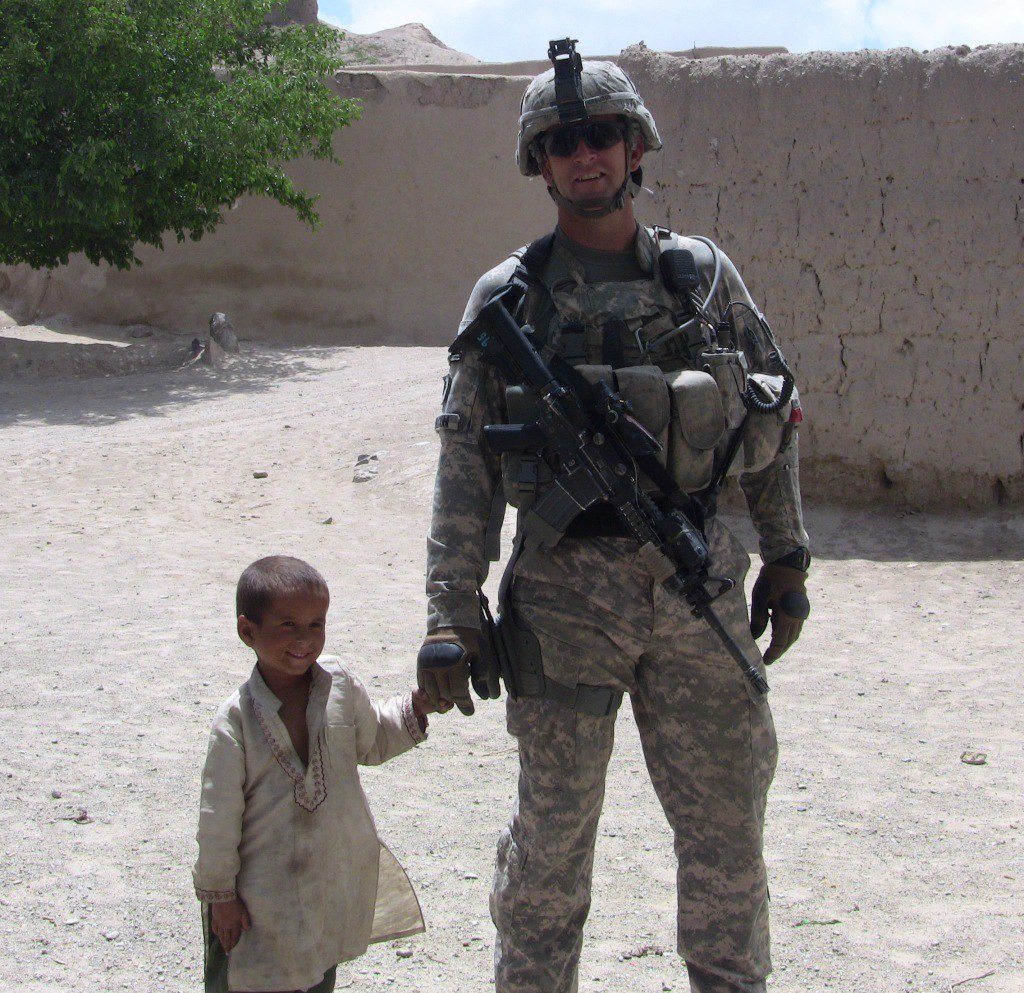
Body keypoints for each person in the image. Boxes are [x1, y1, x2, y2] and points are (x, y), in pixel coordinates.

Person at [418, 40, 811, 993]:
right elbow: (466, 459)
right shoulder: (507, 298)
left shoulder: (706, 281)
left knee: (726, 839)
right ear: (539, 164)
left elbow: (767, 408)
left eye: (600, 135)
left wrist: (789, 556)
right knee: (550, 852)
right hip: (562, 601)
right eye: (561, 142)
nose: (583, 155)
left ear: (636, 147)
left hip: (699, 589)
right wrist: (449, 610)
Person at [194, 555, 434, 993]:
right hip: (260, 899)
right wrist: (221, 898)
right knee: (250, 976)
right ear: (248, 632)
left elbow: (375, 738)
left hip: (324, 882)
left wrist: (418, 706)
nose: (304, 640)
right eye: (287, 626)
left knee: (319, 968)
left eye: (316, 625)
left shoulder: (338, 686)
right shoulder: (236, 722)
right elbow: (217, 821)